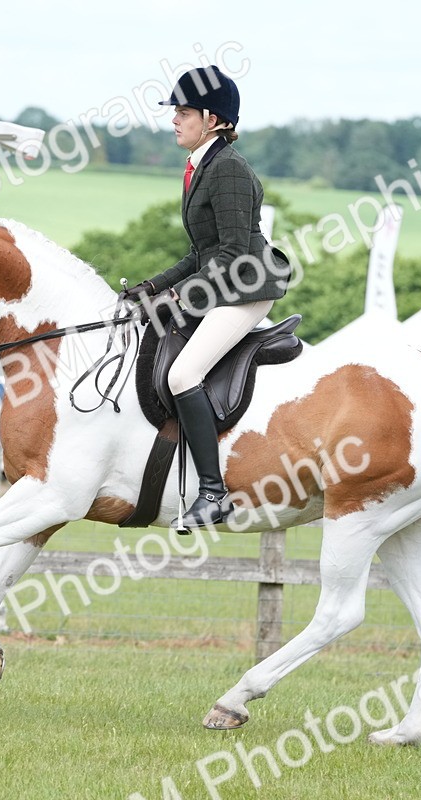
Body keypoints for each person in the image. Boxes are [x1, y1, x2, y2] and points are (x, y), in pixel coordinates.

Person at [124, 65, 292, 529]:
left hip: (246, 289)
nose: (174, 120)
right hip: (223, 281)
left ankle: (214, 494)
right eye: (175, 111)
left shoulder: (230, 170)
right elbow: (201, 253)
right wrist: (153, 287)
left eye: (183, 112)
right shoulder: (203, 165)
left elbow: (236, 254)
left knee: (184, 374)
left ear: (213, 119)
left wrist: (179, 297)